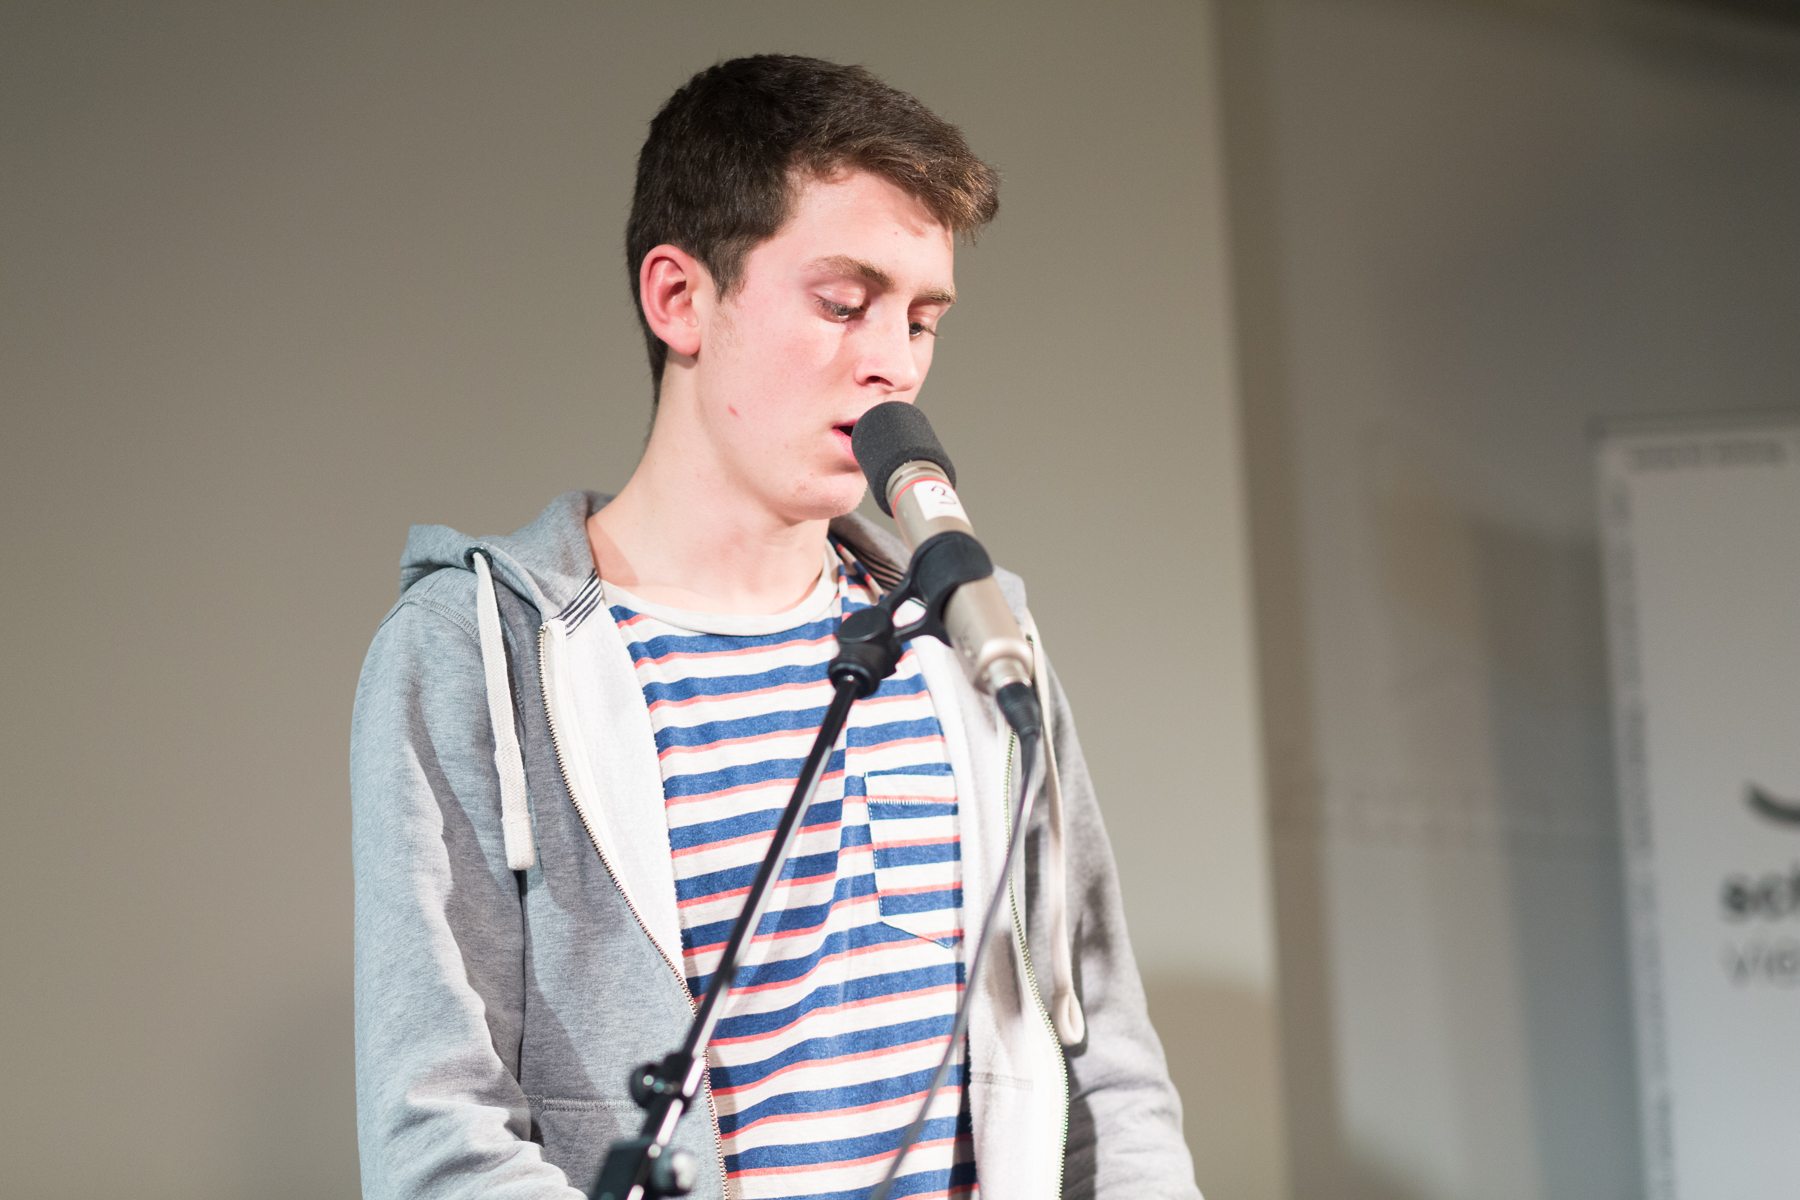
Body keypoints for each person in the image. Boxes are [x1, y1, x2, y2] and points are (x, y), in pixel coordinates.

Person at [351, 54, 1199, 1200]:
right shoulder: (471, 654)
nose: (893, 364)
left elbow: (1106, 1075)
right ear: (679, 299)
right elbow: (438, 1136)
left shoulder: (974, 633)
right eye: (843, 304)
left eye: (922, 319)